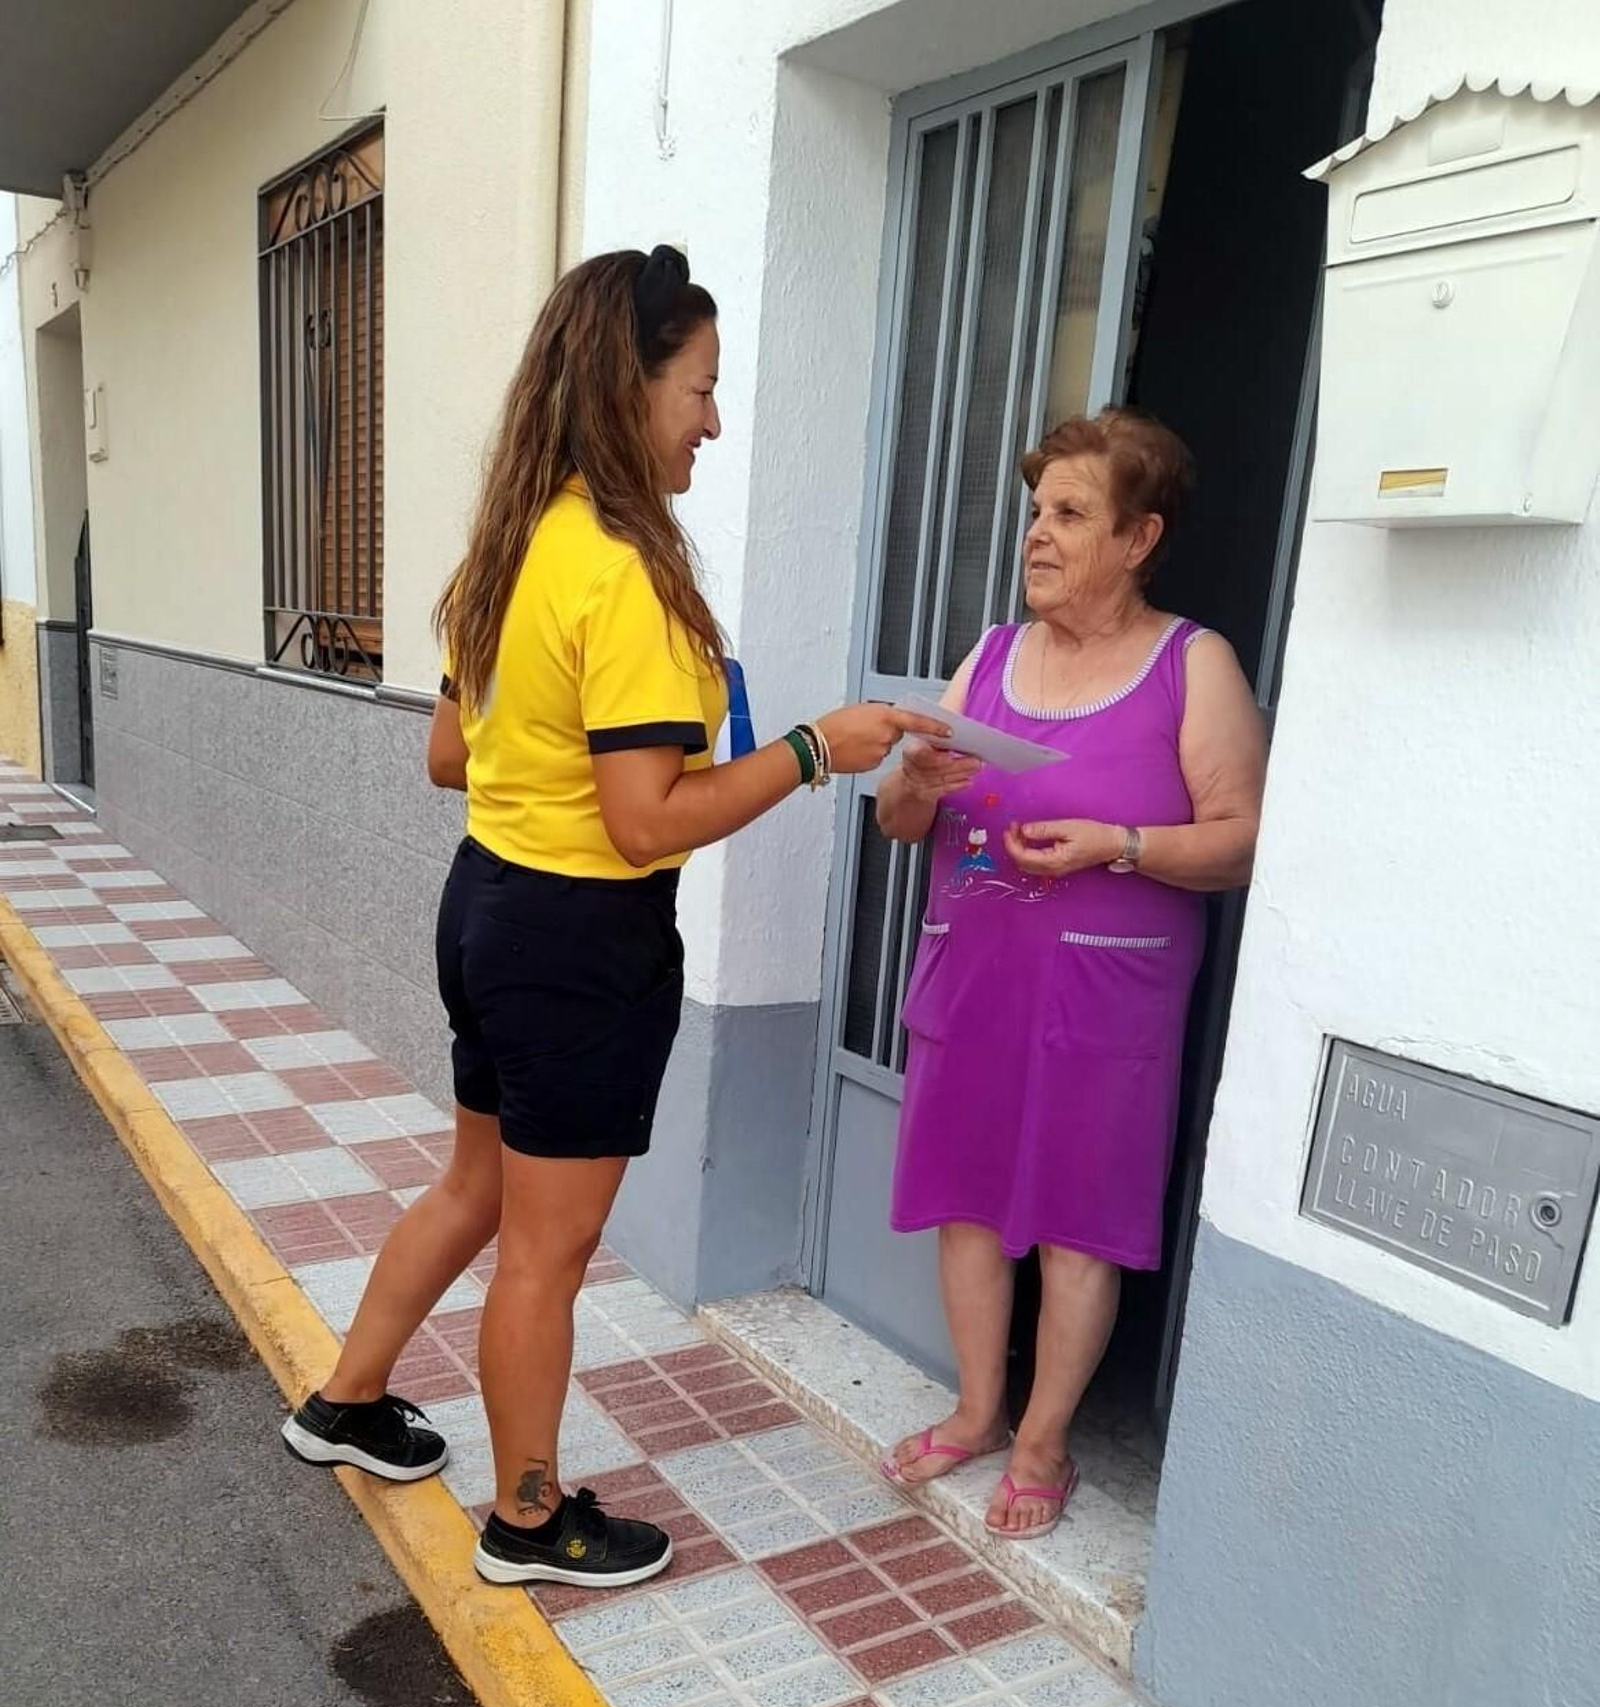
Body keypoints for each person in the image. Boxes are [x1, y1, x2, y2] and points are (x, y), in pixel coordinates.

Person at [281, 245, 942, 1590]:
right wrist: (819, 746)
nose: (713, 418)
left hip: (489, 908)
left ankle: (346, 1401)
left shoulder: (515, 546)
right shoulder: (623, 572)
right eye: (700, 387)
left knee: (477, 1184)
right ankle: (529, 1518)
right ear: (626, 387)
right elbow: (646, 818)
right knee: (546, 1248)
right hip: (582, 940)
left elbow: (452, 756)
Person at [877, 408, 1265, 1540]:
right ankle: (977, 1409)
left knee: (1076, 1220)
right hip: (976, 976)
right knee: (964, 1199)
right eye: (1035, 511)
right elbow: (904, 821)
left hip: (1107, 997)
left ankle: (1043, 1441)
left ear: (1139, 536)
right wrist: (916, 774)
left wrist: (1123, 844)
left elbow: (1241, 838)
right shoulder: (990, 656)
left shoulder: (1193, 664)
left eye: (1069, 513)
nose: (1037, 534)